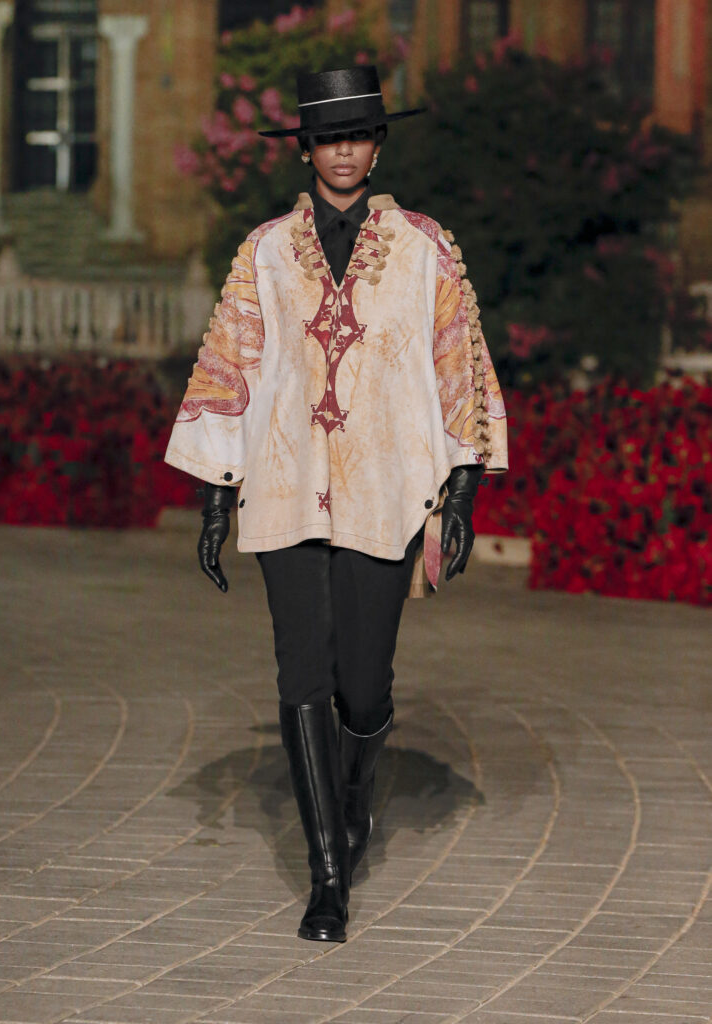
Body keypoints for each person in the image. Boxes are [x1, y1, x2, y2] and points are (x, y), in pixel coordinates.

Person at [165, 65, 508, 944]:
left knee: (364, 682)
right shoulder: (265, 250)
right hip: (282, 485)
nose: (343, 151)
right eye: (328, 137)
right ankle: (328, 875)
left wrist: (462, 492)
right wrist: (216, 500)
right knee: (303, 676)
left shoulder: (424, 248)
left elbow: (459, 363)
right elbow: (230, 367)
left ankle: (353, 801)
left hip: (385, 488)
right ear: (307, 148)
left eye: (357, 135)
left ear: (378, 143)